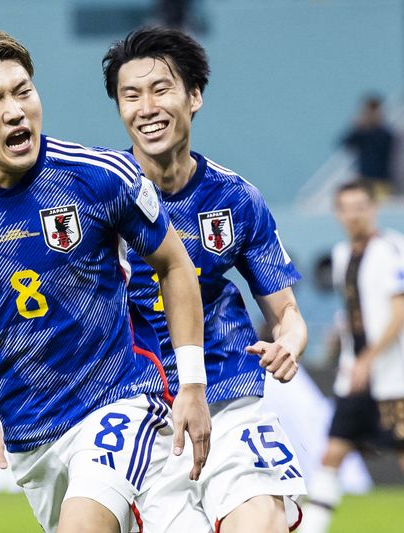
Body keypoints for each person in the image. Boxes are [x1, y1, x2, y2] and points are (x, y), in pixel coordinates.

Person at [0, 27, 210, 533]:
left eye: (23, 92)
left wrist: (193, 383)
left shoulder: (100, 176)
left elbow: (175, 264)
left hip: (119, 400)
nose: (15, 111)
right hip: (29, 434)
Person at [101, 27, 308, 533]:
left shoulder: (235, 199)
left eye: (161, 89)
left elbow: (286, 312)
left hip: (228, 391)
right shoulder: (98, 197)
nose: (146, 108)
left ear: (194, 97)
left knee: (260, 520)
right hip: (137, 406)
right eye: (131, 95)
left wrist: (290, 342)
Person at [300, 181, 404, 533]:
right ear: (338, 213)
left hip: (393, 377)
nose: (354, 215)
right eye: (346, 208)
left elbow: (399, 312)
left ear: (373, 208)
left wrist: (368, 360)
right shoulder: (342, 254)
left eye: (361, 206)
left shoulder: (392, 249)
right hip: (354, 376)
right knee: (332, 452)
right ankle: (312, 528)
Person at [340, 95, 396, 199]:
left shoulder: (385, 134)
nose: (371, 114)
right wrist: (357, 127)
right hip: (364, 179)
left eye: (374, 111)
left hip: (381, 181)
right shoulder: (361, 133)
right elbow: (346, 143)